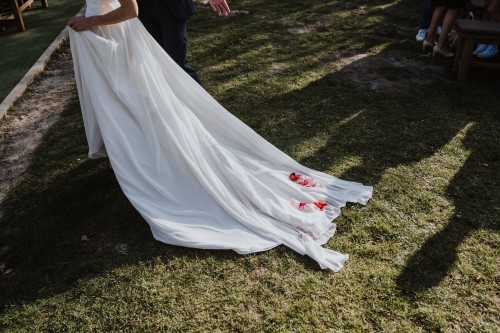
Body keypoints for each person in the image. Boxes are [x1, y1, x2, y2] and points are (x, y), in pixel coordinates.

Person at [67, 0, 372, 272]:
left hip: (141, 21)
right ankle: (144, 147)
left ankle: (181, 136)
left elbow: (128, 8)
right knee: (135, 98)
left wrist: (90, 21)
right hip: (121, 31)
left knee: (168, 80)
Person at [137, 0, 230, 84]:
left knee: (177, 63)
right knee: (155, 63)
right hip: (143, 8)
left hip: (172, 7)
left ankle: (198, 100)